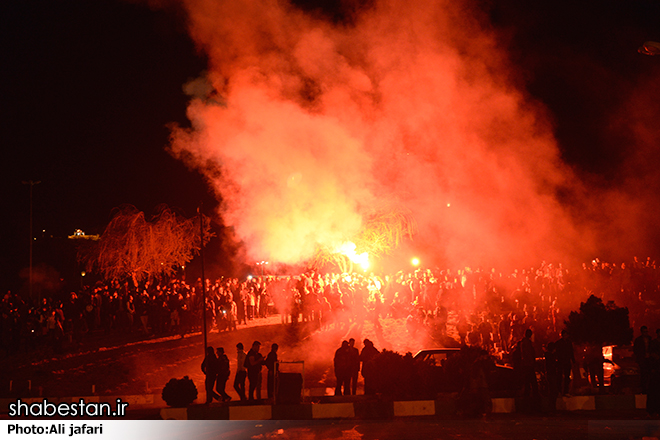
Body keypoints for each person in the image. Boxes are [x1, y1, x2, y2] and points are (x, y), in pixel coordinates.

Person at [554, 329, 575, 396]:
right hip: (561, 362)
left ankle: (566, 391)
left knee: (567, 377)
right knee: (559, 377)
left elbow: (571, 352)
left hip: (567, 362)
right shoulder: (558, 343)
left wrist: (573, 360)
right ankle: (559, 391)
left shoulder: (569, 342)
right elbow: (556, 353)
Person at [634, 326, 653, 394]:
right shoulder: (638, 340)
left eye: (646, 331)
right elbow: (636, 349)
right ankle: (643, 388)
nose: (646, 333)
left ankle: (647, 388)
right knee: (643, 374)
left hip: (648, 358)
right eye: (645, 332)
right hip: (642, 359)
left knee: (649, 374)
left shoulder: (650, 339)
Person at [520, 329, 538, 397]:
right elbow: (529, 353)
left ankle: (527, 395)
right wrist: (532, 362)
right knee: (532, 382)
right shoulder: (527, 343)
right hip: (529, 365)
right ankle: (533, 395)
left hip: (526, 364)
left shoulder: (523, 342)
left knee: (527, 382)